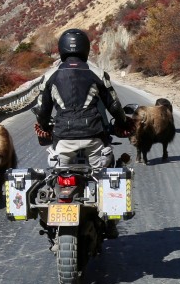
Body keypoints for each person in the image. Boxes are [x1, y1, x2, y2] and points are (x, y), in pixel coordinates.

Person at [34, 29, 129, 238]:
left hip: (63, 141)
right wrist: (124, 122)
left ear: (61, 49)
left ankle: (54, 222)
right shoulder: (97, 73)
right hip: (94, 138)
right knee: (105, 175)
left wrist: (45, 127)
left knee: (56, 177)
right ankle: (111, 222)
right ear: (86, 48)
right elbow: (113, 104)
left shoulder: (50, 76)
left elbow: (43, 111)